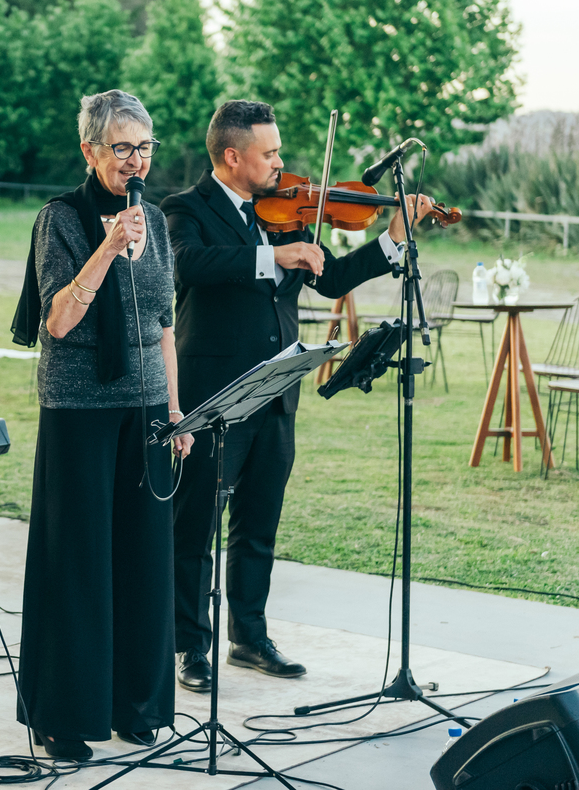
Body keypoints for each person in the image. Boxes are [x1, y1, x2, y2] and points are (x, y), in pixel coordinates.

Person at [161, 100, 434, 693]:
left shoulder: (287, 214)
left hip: (278, 393)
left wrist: (390, 244)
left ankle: (249, 639)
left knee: (258, 525)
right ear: (233, 157)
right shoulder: (185, 208)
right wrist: (271, 256)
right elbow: (187, 265)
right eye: (270, 153)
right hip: (215, 397)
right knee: (196, 527)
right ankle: (188, 646)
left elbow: (330, 277)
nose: (282, 163)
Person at [9, 89, 194, 761]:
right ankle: (64, 713)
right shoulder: (60, 218)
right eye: (122, 148)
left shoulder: (159, 223)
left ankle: (134, 703)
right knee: (78, 564)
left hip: (145, 408)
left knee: (143, 561)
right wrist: (108, 247)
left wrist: (176, 412)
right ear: (90, 151)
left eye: (144, 147)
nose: (135, 160)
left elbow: (165, 323)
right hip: (79, 410)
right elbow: (58, 319)